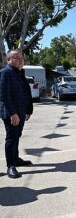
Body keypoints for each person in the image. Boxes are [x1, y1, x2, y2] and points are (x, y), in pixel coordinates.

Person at [0, 50, 33, 178]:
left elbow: (26, 93)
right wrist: (13, 113)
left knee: (17, 136)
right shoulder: (5, 73)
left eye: (21, 57)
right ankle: (11, 166)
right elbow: (4, 96)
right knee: (11, 138)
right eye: (16, 57)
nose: (20, 59)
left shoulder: (20, 73)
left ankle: (16, 159)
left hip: (21, 111)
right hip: (11, 113)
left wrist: (29, 110)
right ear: (8, 60)